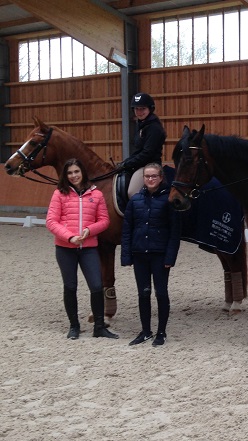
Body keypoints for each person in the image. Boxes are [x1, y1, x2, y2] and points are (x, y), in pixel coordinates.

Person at [46, 158, 117, 340]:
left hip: (88, 247)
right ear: (65, 175)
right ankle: (74, 326)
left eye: (76, 172)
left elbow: (104, 221)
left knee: (96, 285)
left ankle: (99, 326)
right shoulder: (59, 194)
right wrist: (69, 236)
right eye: (70, 173)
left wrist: (89, 230)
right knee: (70, 286)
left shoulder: (97, 194)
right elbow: (51, 221)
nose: (74, 176)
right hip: (65, 248)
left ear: (82, 172)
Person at [121, 163, 181, 347]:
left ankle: (161, 331)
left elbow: (174, 232)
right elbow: (127, 229)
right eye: (147, 176)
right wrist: (126, 256)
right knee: (143, 293)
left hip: (160, 255)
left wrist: (170, 257)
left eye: (154, 176)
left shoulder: (168, 200)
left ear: (161, 177)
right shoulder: (135, 200)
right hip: (140, 254)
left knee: (161, 293)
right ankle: (145, 330)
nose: (150, 179)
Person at [118, 93, 167, 197]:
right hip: (140, 164)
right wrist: (125, 162)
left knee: (132, 192)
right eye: (136, 109)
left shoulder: (154, 128)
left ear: (150, 109)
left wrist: (128, 164)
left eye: (142, 109)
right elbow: (138, 151)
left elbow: (147, 153)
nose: (139, 112)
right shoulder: (141, 125)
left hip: (150, 165)